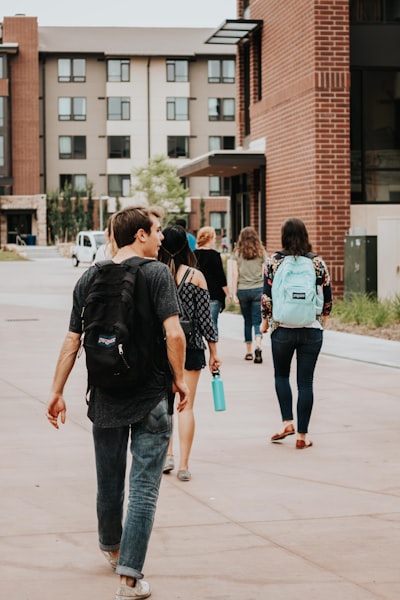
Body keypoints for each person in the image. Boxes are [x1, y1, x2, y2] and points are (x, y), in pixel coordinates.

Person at [46, 206, 189, 600]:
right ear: (140, 235)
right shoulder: (158, 273)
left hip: (105, 395)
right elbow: (174, 334)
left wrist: (56, 391)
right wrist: (178, 379)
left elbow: (72, 340)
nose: (163, 238)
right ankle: (129, 578)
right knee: (144, 487)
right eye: (157, 231)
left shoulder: (89, 277)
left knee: (109, 481)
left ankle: (112, 547)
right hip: (150, 398)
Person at [260, 217, 332, 449]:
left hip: (282, 329)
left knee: (281, 376)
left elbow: (266, 295)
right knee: (305, 382)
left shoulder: (274, 261)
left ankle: (287, 422)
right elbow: (327, 296)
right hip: (311, 329)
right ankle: (302, 436)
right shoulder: (317, 263)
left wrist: (265, 322)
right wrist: (323, 319)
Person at [158, 224, 221, 481]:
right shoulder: (196, 276)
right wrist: (214, 352)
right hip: (191, 348)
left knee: (165, 407)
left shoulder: (156, 274)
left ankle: (167, 456)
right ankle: (184, 465)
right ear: (187, 246)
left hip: (160, 348)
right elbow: (207, 321)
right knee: (187, 406)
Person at [231, 226, 267, 364]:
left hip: (243, 290)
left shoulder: (237, 253)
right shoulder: (261, 252)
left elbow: (235, 274)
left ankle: (248, 351)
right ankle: (258, 345)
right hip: (258, 289)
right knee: (257, 320)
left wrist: (234, 293)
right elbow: (265, 273)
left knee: (247, 321)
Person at [194, 226, 230, 334]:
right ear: (209, 238)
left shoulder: (193, 254)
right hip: (214, 294)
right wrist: (228, 294)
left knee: (197, 324)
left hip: (197, 294)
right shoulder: (215, 255)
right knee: (212, 324)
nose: (215, 240)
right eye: (214, 237)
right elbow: (220, 277)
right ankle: (213, 350)